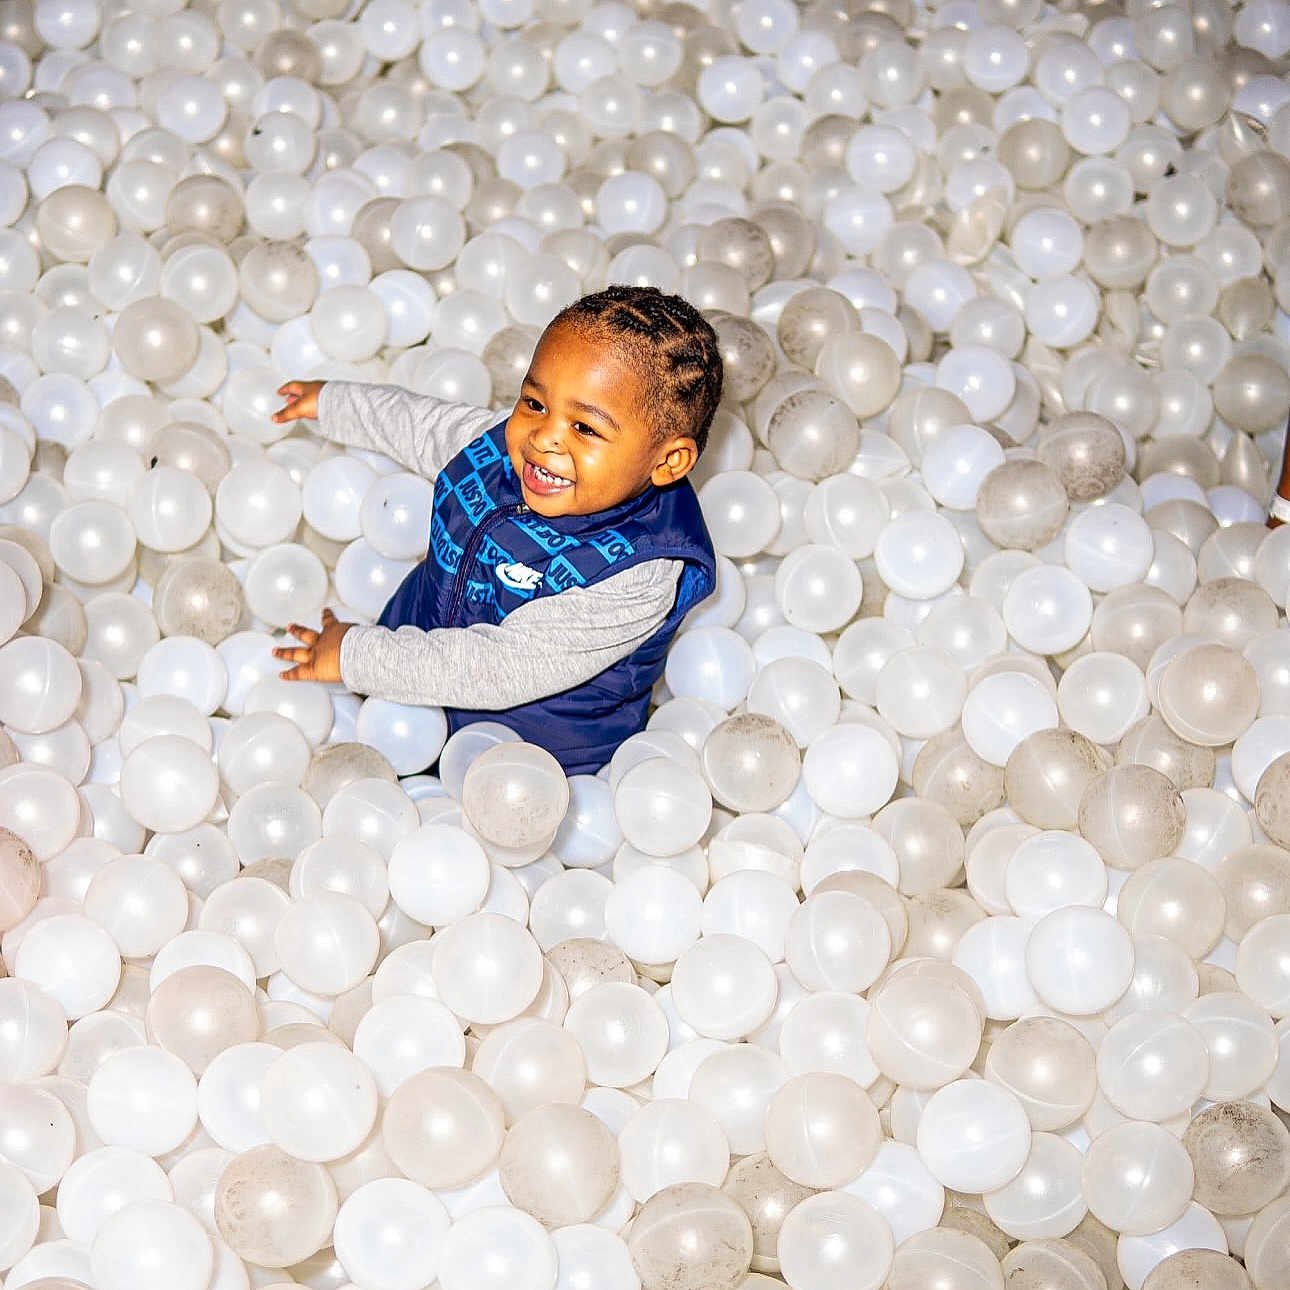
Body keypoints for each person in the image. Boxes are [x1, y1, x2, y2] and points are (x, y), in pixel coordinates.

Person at [270, 285, 722, 776]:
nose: (545, 436)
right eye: (534, 402)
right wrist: (334, 403)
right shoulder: (499, 449)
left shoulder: (638, 572)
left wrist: (357, 656)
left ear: (667, 461)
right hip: (415, 659)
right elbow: (420, 423)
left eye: (586, 429)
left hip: (532, 751)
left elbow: (501, 666)